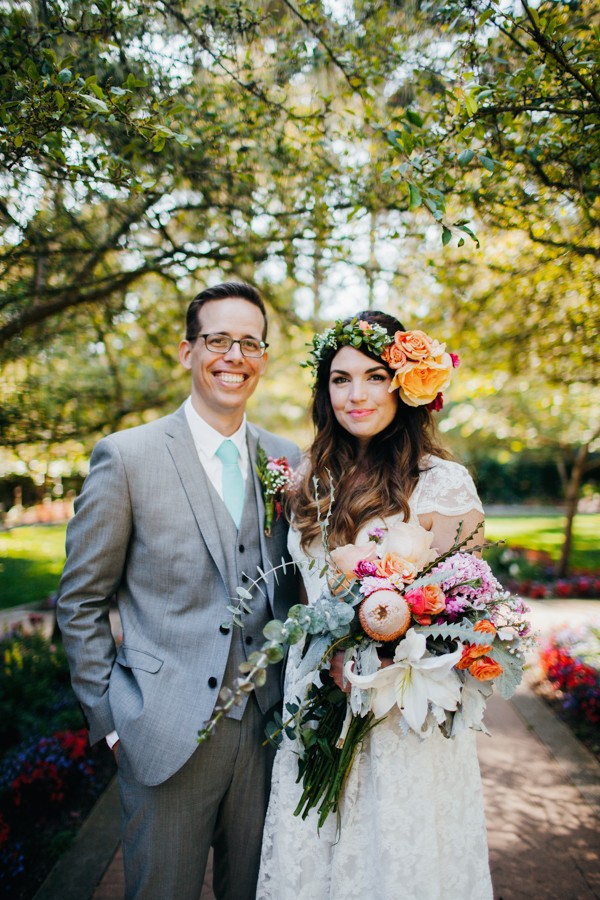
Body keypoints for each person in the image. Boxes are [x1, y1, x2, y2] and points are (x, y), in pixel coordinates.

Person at [57, 282, 301, 900]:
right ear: (187, 351)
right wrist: (112, 721)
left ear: (264, 357)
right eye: (217, 340)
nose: (234, 356)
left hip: (269, 734)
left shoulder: (288, 458)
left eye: (249, 342)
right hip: (164, 734)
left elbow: (298, 584)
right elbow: (82, 600)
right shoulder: (127, 456)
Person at [257, 311, 493, 900]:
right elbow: (303, 593)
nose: (355, 394)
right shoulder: (307, 479)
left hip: (404, 709)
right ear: (323, 389)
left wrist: (386, 653)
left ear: (406, 386)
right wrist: (333, 656)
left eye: (374, 376)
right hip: (316, 699)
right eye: (340, 379)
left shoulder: (443, 484)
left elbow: (465, 613)